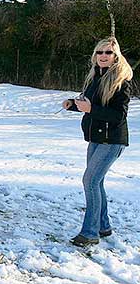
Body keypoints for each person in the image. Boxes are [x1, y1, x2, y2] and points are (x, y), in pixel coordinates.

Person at [62, 37, 133, 247]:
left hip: (112, 141)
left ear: (115, 56)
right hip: (95, 138)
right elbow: (89, 104)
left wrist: (90, 109)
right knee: (97, 182)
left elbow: (119, 116)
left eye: (108, 53)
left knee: (90, 181)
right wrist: (73, 104)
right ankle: (103, 226)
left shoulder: (121, 81)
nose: (103, 56)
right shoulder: (95, 77)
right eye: (100, 52)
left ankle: (90, 233)